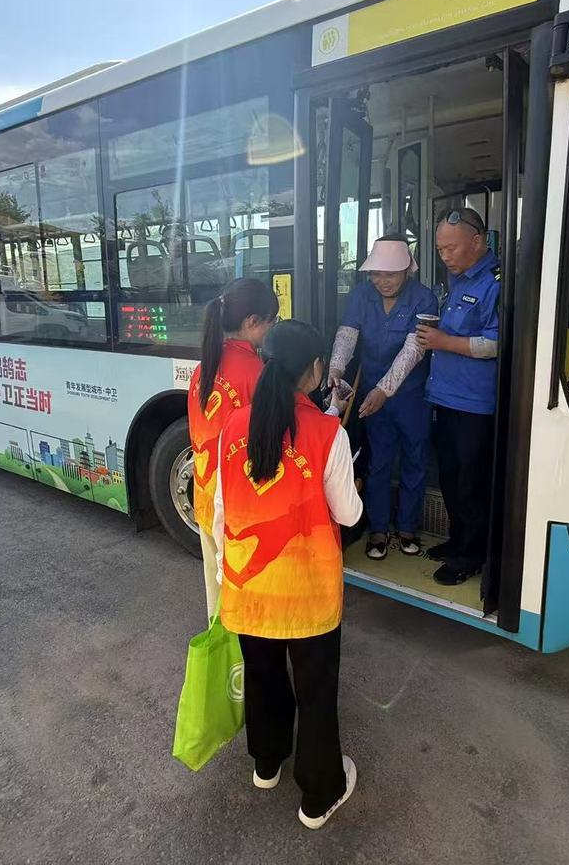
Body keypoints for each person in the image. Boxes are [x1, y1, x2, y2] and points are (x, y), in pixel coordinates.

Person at [211, 320, 363, 829]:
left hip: (248, 586)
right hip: (308, 593)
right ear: (316, 369)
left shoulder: (233, 425)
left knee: (263, 675)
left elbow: (221, 511)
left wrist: (224, 576)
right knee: (315, 690)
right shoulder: (328, 432)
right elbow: (348, 514)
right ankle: (319, 795)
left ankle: (267, 762)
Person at [327, 236, 438, 560]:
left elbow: (414, 350)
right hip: (371, 394)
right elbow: (348, 334)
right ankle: (378, 528)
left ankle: (407, 528)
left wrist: (384, 390)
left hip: (411, 396)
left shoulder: (424, 298)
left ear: (407, 271)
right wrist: (336, 368)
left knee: (415, 460)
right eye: (376, 273)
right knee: (378, 461)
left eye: (390, 274)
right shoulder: (362, 295)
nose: (382, 280)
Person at [416, 207, 501, 587]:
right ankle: (458, 540)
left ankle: (472, 555)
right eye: (439, 249)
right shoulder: (457, 279)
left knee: (471, 482)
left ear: (478, 241)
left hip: (475, 403)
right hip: (446, 396)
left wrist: (443, 341)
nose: (445, 256)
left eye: (451, 248)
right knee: (450, 476)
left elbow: (495, 344)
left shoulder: (495, 283)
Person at [187, 278, 280, 619]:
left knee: (216, 590)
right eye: (272, 321)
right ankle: (243, 650)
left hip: (205, 494)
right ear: (252, 322)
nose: (272, 328)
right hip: (239, 507)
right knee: (245, 592)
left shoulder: (204, 367)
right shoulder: (256, 372)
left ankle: (221, 645)